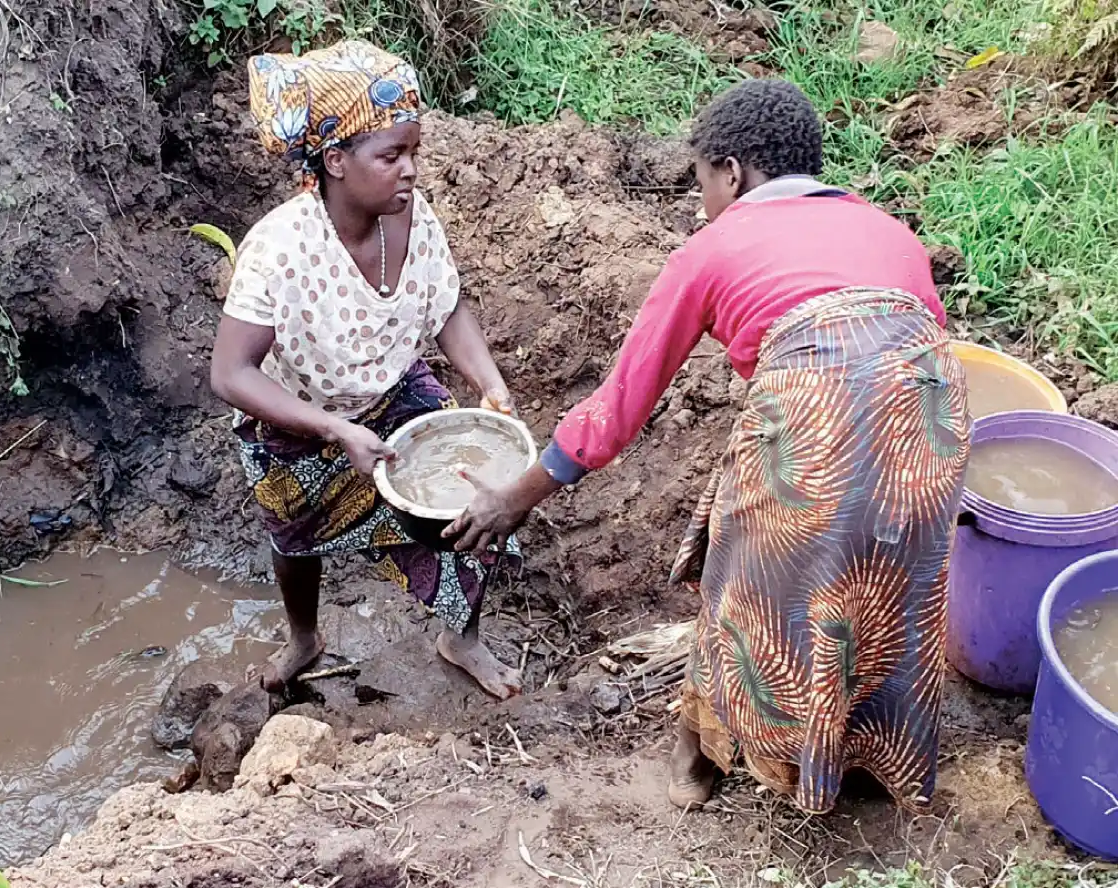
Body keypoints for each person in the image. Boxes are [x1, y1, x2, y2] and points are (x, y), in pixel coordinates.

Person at [445, 79, 971, 813]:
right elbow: (922, 348)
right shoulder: (892, 232)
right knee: (888, 587)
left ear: (732, 171)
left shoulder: (712, 247)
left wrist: (518, 497)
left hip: (815, 417)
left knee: (739, 590)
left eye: (701, 182)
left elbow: (617, 408)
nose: (702, 202)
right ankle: (865, 761)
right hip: (932, 425)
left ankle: (700, 753)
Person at [211, 40, 522, 699]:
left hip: (393, 394)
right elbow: (233, 374)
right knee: (295, 540)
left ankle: (460, 636)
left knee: (483, 501)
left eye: (414, 151)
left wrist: (490, 385)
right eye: (392, 156)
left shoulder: (411, 216)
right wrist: (331, 428)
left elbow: (448, 308)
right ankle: (304, 637)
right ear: (336, 161)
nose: (409, 171)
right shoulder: (279, 247)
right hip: (294, 418)